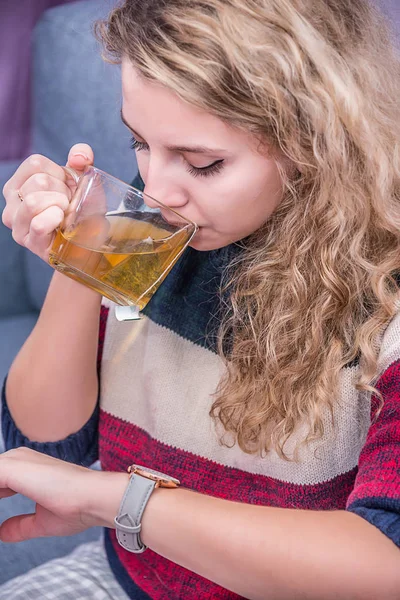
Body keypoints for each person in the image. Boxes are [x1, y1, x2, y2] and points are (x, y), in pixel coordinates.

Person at [0, 0, 399, 598]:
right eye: (138, 142)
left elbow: (384, 565)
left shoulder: (383, 294)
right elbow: (47, 441)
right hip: (126, 580)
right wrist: (80, 256)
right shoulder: (155, 219)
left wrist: (118, 502)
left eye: (203, 163)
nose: (156, 190)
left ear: (317, 141)